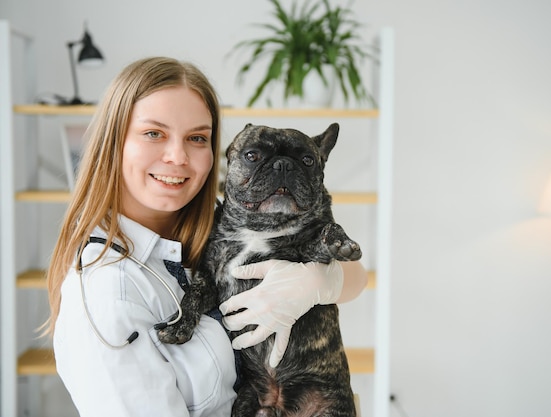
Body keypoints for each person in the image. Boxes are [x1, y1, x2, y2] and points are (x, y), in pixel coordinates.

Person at [45, 56, 367, 417]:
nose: (177, 156)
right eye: (154, 133)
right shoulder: (108, 292)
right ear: (113, 141)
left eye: (197, 137)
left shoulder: (218, 217)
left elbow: (356, 275)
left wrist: (323, 280)